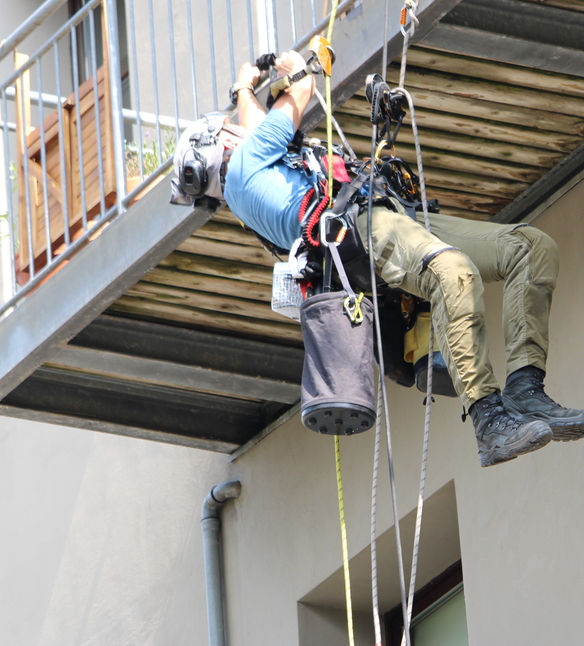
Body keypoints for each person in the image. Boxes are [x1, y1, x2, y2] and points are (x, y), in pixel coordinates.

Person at [172, 50, 584, 467]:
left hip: (387, 216)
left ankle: (525, 388)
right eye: (231, 127)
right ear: (223, 143)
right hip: (361, 226)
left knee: (529, 248)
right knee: (453, 271)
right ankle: (488, 418)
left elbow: (258, 125)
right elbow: (299, 89)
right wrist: (273, 74)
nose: (241, 123)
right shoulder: (245, 164)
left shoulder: (253, 190)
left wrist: (246, 87)